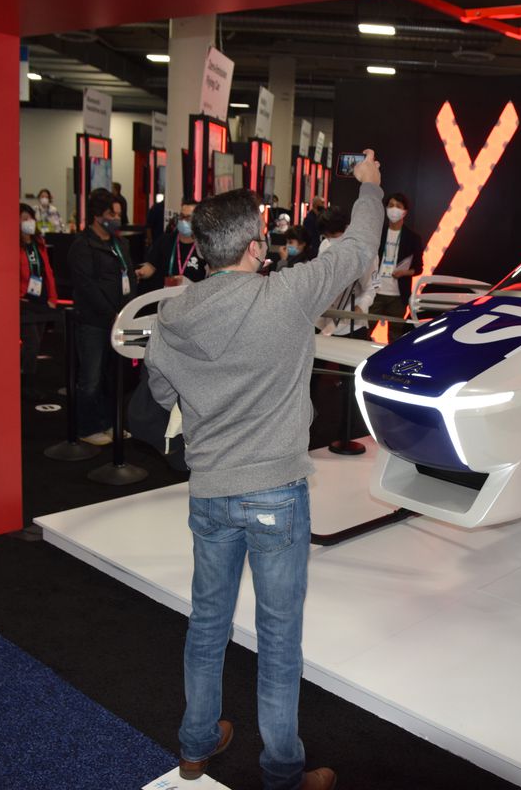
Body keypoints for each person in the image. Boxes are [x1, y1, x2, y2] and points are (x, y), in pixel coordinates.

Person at [145, 149, 385, 790]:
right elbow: (360, 246)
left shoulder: (171, 317)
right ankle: (281, 771)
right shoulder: (287, 296)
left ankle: (195, 746)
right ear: (255, 247)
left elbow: (163, 396)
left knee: (206, 623)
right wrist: (370, 186)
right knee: (278, 637)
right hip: (275, 491)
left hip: (211, 492)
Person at [70, 188, 137, 445]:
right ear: (98, 215)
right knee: (91, 378)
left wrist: (128, 312)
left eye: (119, 214)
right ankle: (88, 428)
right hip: (94, 322)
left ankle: (111, 423)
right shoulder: (82, 247)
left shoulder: (120, 244)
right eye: (112, 214)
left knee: (114, 377)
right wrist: (111, 314)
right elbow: (88, 288)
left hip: (120, 321)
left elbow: (129, 277)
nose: (116, 219)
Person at [315, 207, 376, 339]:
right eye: (327, 236)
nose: (330, 240)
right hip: (323, 320)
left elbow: (373, 287)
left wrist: (359, 309)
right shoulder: (325, 245)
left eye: (334, 235)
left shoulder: (366, 251)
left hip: (351, 324)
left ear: (346, 228)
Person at [370, 192, 423, 341]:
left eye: (398, 206)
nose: (394, 209)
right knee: (365, 330)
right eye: (391, 205)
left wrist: (404, 273)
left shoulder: (412, 238)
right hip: (375, 292)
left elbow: (419, 268)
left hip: (398, 296)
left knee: (395, 338)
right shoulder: (377, 233)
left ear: (405, 211)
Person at [19, 204, 59, 389]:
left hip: (41, 300)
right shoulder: (15, 247)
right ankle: (27, 381)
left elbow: (48, 272)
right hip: (24, 302)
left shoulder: (38, 244)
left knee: (36, 343)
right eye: (24, 218)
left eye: (30, 218)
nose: (28, 222)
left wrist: (53, 297)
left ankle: (26, 374)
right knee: (31, 343)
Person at [138, 198, 205, 286]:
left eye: (188, 218)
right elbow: (151, 266)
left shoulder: (204, 246)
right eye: (181, 216)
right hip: (166, 295)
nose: (183, 221)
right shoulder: (165, 240)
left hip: (194, 296)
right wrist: (142, 272)